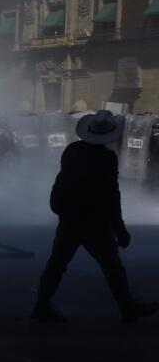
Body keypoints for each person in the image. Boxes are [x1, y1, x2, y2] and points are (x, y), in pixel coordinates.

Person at [33, 109, 158, 324]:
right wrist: (120, 229)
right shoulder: (106, 158)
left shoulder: (72, 150)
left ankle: (41, 305)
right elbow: (111, 196)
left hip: (69, 218)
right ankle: (127, 307)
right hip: (95, 222)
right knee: (112, 266)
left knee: (57, 263)